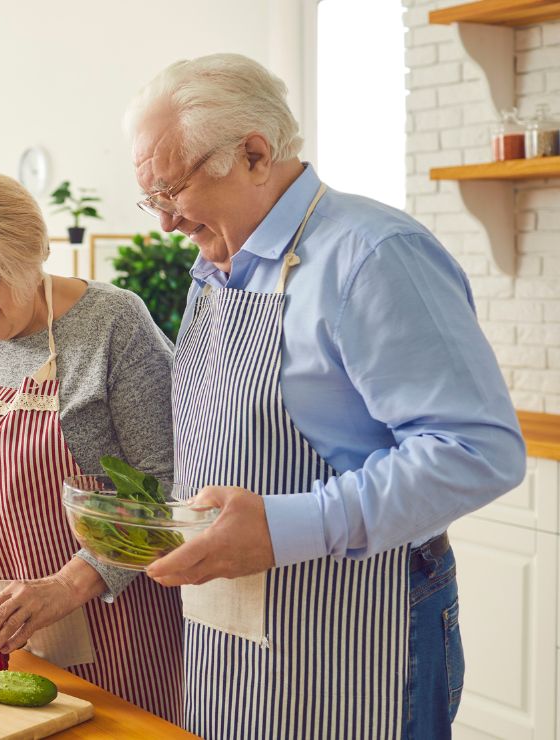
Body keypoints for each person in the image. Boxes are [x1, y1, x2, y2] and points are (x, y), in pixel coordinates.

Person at [128, 53, 526, 738]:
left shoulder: (373, 254)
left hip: (363, 624)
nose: (164, 222)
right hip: (231, 633)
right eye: (151, 199)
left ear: (254, 154)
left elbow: (477, 452)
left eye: (171, 192)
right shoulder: (216, 267)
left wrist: (284, 529)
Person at [0, 169, 182, 721]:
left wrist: (65, 586)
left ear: (28, 254)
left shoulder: (112, 324)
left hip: (115, 626)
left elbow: (164, 489)